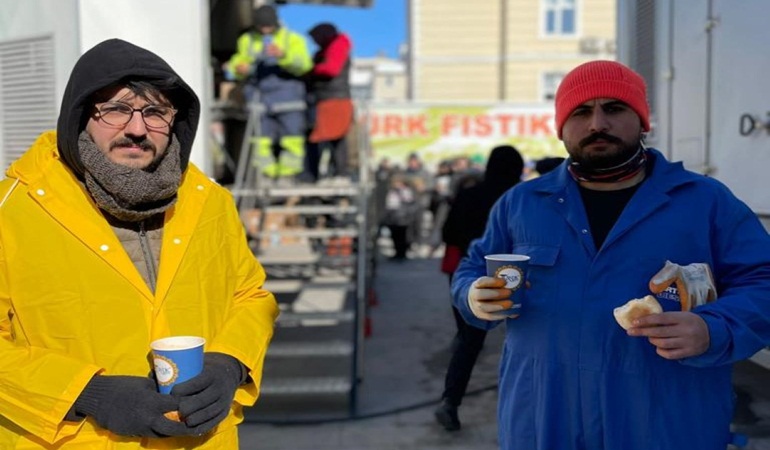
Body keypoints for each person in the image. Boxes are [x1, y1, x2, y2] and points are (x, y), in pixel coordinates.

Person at [450, 60, 770, 450]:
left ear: (642, 121)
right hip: (545, 421)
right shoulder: (522, 204)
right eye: (581, 112)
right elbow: (472, 267)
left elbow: (762, 280)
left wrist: (714, 328)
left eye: (614, 108)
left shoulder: (704, 202)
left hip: (667, 423)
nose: (597, 123)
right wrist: (472, 295)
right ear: (561, 127)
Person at [0, 39, 279, 449]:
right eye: (114, 109)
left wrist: (231, 363)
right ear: (80, 117)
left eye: (154, 112)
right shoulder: (13, 209)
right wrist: (85, 395)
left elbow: (251, 296)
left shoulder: (209, 201)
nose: (136, 128)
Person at [435, 145, 524, 431]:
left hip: (471, 275)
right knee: (528, 339)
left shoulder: (470, 194)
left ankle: (450, 402)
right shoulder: (523, 199)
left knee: (469, 340)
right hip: (518, 276)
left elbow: (447, 233)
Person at [227, 4, 312, 178]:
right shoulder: (247, 39)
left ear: (276, 23)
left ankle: (287, 177)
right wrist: (238, 68)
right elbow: (237, 61)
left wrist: (283, 55)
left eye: (269, 27)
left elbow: (304, 65)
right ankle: (266, 176)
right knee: (260, 140)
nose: (265, 31)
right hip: (259, 98)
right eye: (261, 27)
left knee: (292, 139)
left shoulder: (293, 39)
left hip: (289, 98)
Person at [301, 22, 354, 182]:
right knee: (327, 138)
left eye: (315, 38)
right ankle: (332, 173)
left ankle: (338, 174)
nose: (314, 42)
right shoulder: (327, 49)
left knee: (333, 138)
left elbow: (331, 68)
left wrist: (313, 69)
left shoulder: (337, 46)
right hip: (326, 99)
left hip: (333, 99)